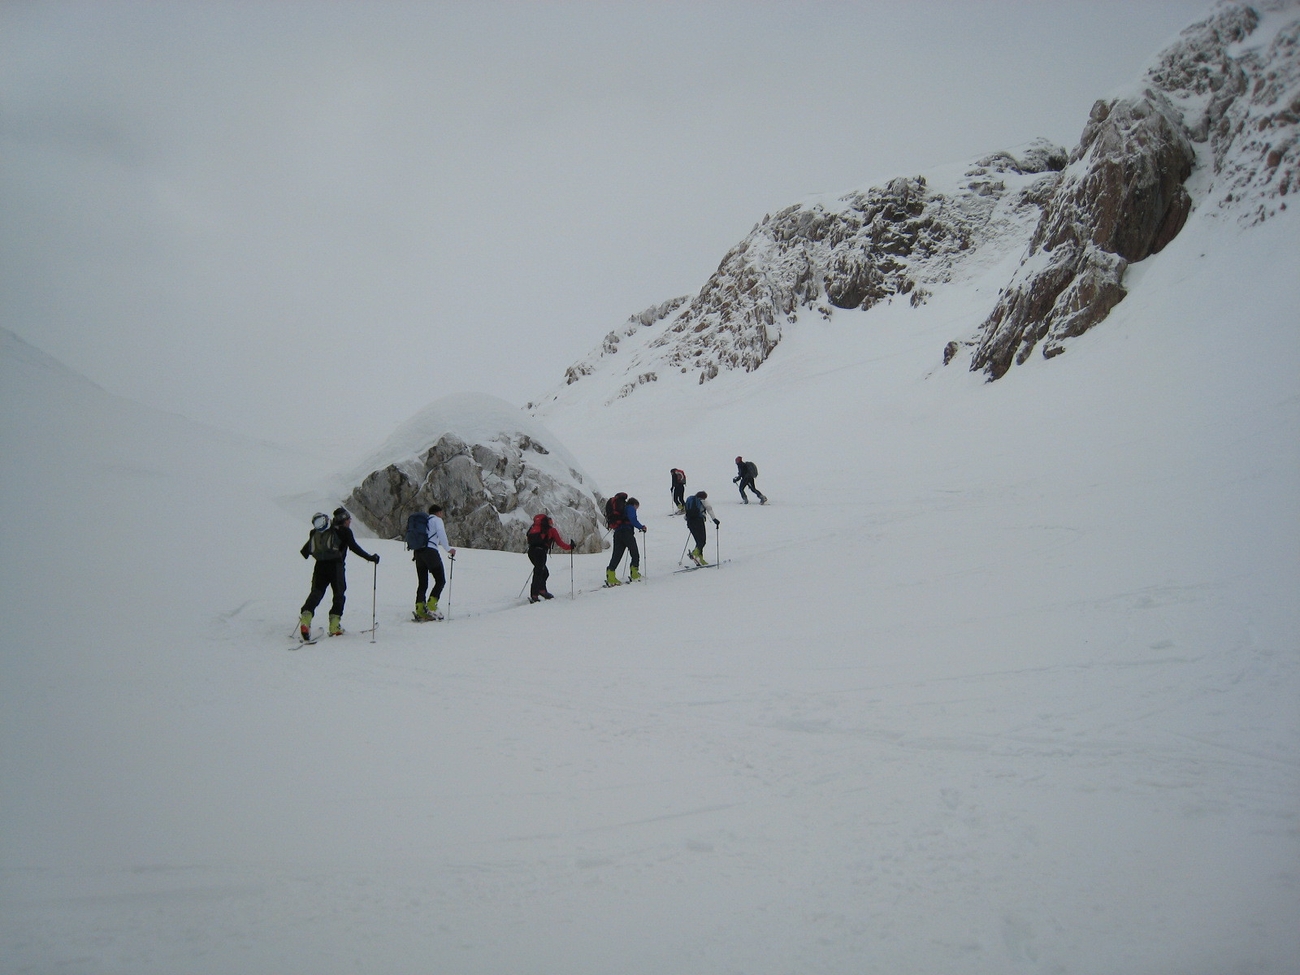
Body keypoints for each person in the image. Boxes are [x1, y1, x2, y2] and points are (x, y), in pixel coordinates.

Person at [299, 507, 379, 638]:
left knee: (317, 592)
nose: (350, 521)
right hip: (336, 567)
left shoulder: (318, 531)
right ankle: (334, 626)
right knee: (339, 595)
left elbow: (305, 552)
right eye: (348, 519)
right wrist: (371, 558)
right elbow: (355, 548)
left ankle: (305, 619)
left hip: (320, 566)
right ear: (344, 520)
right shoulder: (344, 532)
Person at [413, 503, 455, 621]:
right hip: (431, 552)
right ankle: (432, 605)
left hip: (418, 553)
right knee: (440, 580)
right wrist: (448, 549)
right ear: (439, 512)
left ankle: (420, 608)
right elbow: (441, 534)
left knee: (422, 583)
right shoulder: (437, 520)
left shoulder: (424, 522)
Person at [526, 512, 575, 602]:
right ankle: (535, 595)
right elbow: (560, 543)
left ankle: (541, 590)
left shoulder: (534, 528)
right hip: (540, 552)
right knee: (539, 572)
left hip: (531, 552)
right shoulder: (551, 530)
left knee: (543, 572)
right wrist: (570, 547)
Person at [605, 494, 647, 586]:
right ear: (634, 504)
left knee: (617, 555)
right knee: (635, 553)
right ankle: (634, 574)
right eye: (636, 508)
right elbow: (633, 519)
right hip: (626, 533)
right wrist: (641, 527)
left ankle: (611, 575)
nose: (636, 509)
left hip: (617, 533)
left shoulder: (622, 509)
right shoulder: (630, 507)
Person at [683, 491, 720, 565]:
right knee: (702, 541)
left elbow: (685, 515)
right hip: (698, 522)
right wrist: (714, 519)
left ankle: (700, 559)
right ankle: (695, 553)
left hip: (690, 522)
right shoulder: (703, 501)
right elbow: (709, 509)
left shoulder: (690, 501)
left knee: (698, 541)